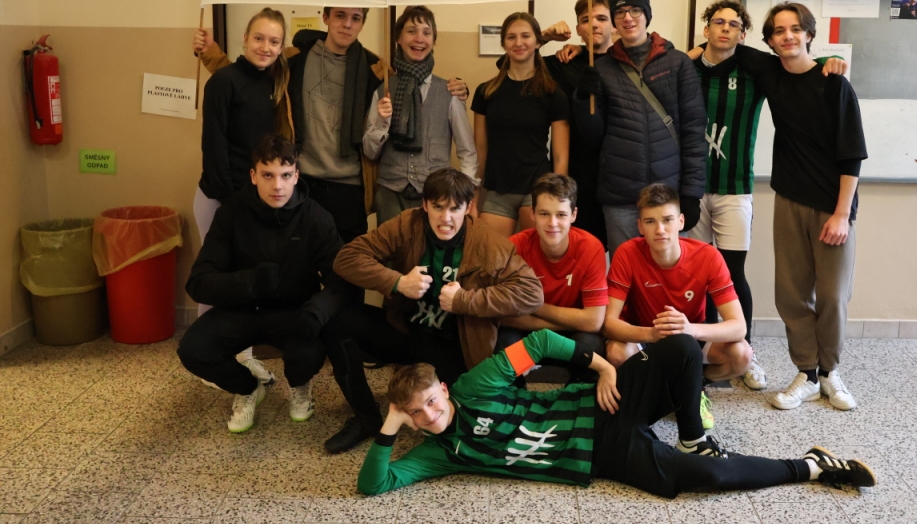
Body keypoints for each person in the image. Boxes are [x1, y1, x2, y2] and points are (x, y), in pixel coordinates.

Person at [356, 329, 877, 498]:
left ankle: (693, 436)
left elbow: (538, 343)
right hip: (600, 455)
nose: (430, 416)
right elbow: (374, 485)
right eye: (416, 414)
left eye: (432, 401)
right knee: (710, 478)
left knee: (681, 347)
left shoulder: (472, 386)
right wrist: (389, 426)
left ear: (445, 389)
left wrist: (604, 367)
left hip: (598, 403)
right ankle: (812, 465)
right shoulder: (439, 453)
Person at [194, 7, 469, 243]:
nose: (347, 24)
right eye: (340, 15)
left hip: (351, 187)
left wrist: (458, 89)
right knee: (298, 265)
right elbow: (247, 80)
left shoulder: (377, 70)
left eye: (355, 18)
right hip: (302, 180)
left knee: (348, 267)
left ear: (362, 24)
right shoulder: (294, 58)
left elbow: (414, 86)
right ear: (326, 17)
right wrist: (211, 55)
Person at [320, 167, 544, 453]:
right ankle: (366, 419)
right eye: (438, 207)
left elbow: (532, 294)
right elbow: (347, 258)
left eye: (454, 208)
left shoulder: (488, 242)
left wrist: (464, 300)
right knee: (337, 321)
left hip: (455, 347)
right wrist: (398, 282)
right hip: (406, 332)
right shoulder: (407, 224)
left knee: (471, 429)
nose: (445, 218)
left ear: (468, 207)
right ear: (424, 205)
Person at [687, 0, 849, 393]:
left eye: (734, 24)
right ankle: (698, 354)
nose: (725, 29)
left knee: (732, 273)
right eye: (717, 23)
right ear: (706, 30)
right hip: (690, 187)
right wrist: (687, 54)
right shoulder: (685, 69)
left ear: (743, 35)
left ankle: (744, 353)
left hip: (735, 187)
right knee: (695, 275)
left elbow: (797, 64)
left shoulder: (755, 69)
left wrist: (828, 60)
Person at [178, 135, 344, 433]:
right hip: (241, 309)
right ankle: (249, 388)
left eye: (285, 175)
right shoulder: (230, 214)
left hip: (293, 312)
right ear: (253, 176)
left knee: (311, 347)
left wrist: (316, 312)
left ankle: (300, 384)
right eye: (268, 175)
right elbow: (199, 282)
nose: (277, 185)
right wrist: (250, 282)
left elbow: (340, 279)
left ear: (296, 176)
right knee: (193, 350)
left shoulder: (316, 218)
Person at [758, 3, 868, 412]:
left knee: (834, 296)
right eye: (779, 31)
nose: (787, 36)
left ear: (808, 34)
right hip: (789, 200)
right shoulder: (770, 74)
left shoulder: (834, 84)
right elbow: (722, 48)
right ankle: (806, 372)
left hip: (832, 205)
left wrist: (841, 214)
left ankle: (829, 372)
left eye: (795, 29)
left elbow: (852, 154)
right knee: (791, 294)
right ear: (770, 40)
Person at [193, 7, 294, 386]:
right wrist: (231, 203)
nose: (265, 47)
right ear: (245, 39)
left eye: (274, 41)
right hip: (220, 198)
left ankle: (243, 357)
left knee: (244, 282)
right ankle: (209, 358)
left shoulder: (272, 84)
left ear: (282, 47)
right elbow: (214, 147)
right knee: (215, 280)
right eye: (259, 38)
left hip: (251, 199)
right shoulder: (223, 82)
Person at [571, 0, 707, 256]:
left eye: (635, 10)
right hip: (620, 194)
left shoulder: (678, 63)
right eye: (620, 12)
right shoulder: (602, 68)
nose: (628, 18)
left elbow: (694, 132)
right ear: (614, 21)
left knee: (669, 271)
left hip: (667, 193)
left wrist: (691, 193)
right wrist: (583, 97)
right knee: (625, 271)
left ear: (647, 15)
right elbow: (593, 136)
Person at [603, 182, 751, 430]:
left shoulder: (707, 256)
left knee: (742, 355)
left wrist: (689, 329)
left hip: (689, 339)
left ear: (681, 221)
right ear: (640, 226)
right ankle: (660, 392)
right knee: (617, 353)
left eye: (667, 220)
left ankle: (694, 385)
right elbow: (608, 323)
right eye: (650, 222)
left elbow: (739, 327)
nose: (660, 229)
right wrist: (651, 334)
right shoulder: (627, 253)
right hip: (643, 336)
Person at [512, 0, 617, 245]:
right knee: (578, 244)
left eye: (602, 18)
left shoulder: (624, 63)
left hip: (617, 169)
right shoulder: (565, 63)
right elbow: (512, 65)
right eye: (586, 20)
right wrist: (544, 37)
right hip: (576, 168)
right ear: (578, 28)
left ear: (614, 25)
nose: (594, 25)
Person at [363, 5, 477, 224]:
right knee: (392, 246)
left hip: (436, 196)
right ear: (398, 38)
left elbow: (467, 151)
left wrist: (466, 193)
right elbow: (369, 151)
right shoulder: (383, 89)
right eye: (411, 31)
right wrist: (382, 122)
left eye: (426, 32)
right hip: (390, 193)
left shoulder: (450, 92)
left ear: (433, 40)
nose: (419, 39)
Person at [501, 173, 608, 382]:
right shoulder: (515, 247)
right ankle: (515, 396)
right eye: (544, 214)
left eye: (561, 214)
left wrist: (535, 305)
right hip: (533, 335)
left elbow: (594, 321)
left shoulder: (591, 247)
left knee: (592, 344)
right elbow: (504, 316)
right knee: (504, 341)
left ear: (573, 215)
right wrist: (562, 325)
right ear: (532, 214)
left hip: (570, 338)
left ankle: (576, 395)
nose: (552, 223)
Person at [471, 12, 570, 237]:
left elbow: (560, 157)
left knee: (534, 255)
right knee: (492, 254)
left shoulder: (553, 93)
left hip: (538, 188)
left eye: (525, 36)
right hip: (497, 189)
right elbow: (480, 152)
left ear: (538, 42)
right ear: (503, 44)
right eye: (511, 37)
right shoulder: (486, 92)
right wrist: (474, 197)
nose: (518, 43)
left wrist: (559, 199)